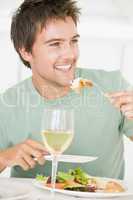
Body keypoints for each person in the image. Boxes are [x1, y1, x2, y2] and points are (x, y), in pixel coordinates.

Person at [0, 0, 133, 179]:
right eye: (55, 44)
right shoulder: (7, 105)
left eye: (73, 41)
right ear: (26, 52)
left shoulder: (112, 86)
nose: (70, 54)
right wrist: (3, 158)